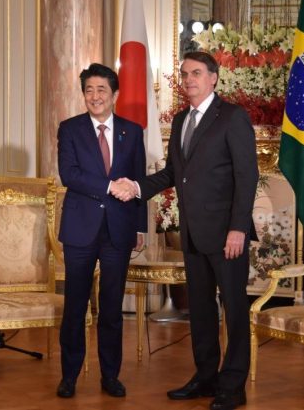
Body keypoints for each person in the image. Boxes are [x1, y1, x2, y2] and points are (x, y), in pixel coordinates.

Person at [113, 51, 258, 410]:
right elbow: (174, 174)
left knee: (235, 310)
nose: (189, 79)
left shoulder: (233, 118)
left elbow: (247, 177)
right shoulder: (180, 121)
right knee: (202, 311)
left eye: (196, 73)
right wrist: (135, 187)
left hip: (227, 235)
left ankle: (233, 387)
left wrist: (238, 228)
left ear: (213, 78)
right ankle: (206, 377)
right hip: (193, 232)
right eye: (184, 74)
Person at [56, 63, 147, 399]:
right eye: (89, 90)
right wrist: (110, 186)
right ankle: (69, 376)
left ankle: (111, 376)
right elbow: (70, 175)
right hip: (80, 229)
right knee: (75, 306)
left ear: (115, 95)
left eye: (101, 90)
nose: (94, 96)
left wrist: (139, 227)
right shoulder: (70, 129)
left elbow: (137, 180)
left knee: (111, 308)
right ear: (84, 95)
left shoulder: (132, 131)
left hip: (119, 229)